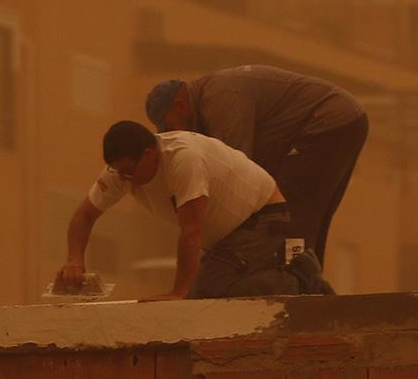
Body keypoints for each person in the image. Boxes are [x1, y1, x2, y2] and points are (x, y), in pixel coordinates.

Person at [55, 121, 327, 301]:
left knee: (206, 292)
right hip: (225, 238)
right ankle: (289, 275)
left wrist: (179, 292)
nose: (128, 180)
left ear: (150, 153)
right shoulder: (120, 172)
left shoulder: (183, 160)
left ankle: (299, 279)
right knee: (217, 292)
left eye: (131, 171)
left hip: (262, 216)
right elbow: (83, 217)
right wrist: (74, 261)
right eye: (120, 173)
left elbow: (191, 230)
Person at [145, 65, 366, 268]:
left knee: (290, 210)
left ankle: (295, 282)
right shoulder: (208, 102)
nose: (177, 134)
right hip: (342, 119)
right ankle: (305, 280)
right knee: (307, 215)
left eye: (172, 126)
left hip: (326, 120)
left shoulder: (220, 100)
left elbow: (236, 172)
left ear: (180, 105)